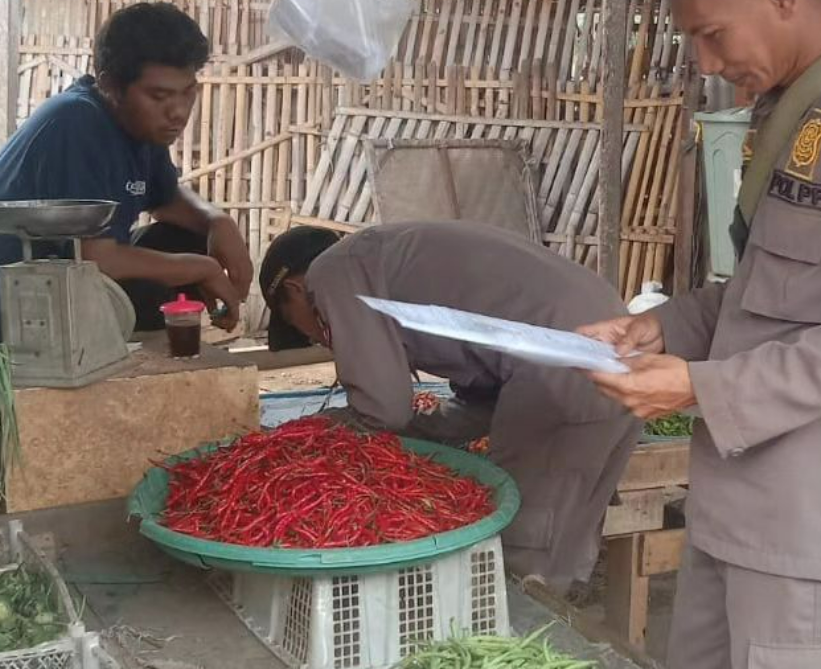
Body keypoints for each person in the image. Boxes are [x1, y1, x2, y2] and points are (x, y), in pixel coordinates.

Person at [580, 0, 821, 669]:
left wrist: (704, 386)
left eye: (715, 36)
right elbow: (766, 293)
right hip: (732, 513)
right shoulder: (788, 108)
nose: (710, 66)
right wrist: (666, 328)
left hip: (803, 540)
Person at [259, 221, 641, 592]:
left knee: (519, 547)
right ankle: (555, 621)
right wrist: (424, 431)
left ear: (295, 289)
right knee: (566, 536)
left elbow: (383, 410)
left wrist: (327, 427)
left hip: (561, 358)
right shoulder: (390, 255)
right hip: (622, 341)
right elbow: (479, 405)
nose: (319, 338)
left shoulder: (332, 271)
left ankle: (522, 641)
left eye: (298, 326)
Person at [0, 2, 253, 346]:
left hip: (71, 285)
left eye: (188, 93)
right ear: (110, 85)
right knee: (168, 273)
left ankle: (154, 356)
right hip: (0, 310)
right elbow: (99, 258)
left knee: (187, 238)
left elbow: (165, 198)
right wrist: (205, 268)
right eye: (159, 96)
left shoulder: (144, 125)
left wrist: (217, 221)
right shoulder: (76, 122)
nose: (179, 112)